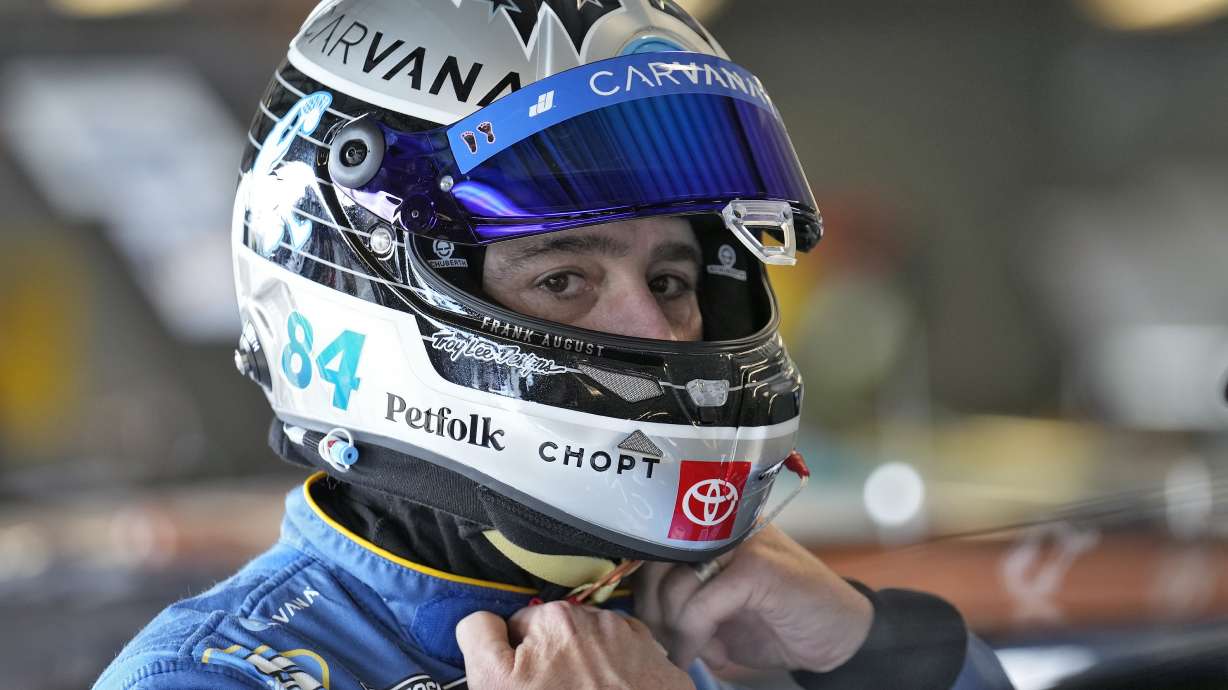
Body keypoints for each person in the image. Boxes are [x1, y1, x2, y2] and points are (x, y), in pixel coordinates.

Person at [95, 1, 1013, 688]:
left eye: (671, 280)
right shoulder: (208, 675)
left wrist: (874, 652)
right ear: (358, 297)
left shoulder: (701, 618)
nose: (656, 329)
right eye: (564, 280)